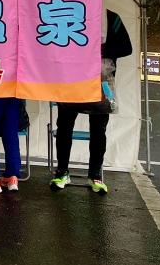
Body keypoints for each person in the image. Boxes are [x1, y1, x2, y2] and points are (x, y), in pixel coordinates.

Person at [51, 10, 133, 195]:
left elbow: (126, 47)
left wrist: (100, 50)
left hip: (101, 81)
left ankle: (95, 175)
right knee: (64, 126)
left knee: (98, 130)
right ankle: (62, 172)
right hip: (71, 80)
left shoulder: (110, 17)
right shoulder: (68, 11)